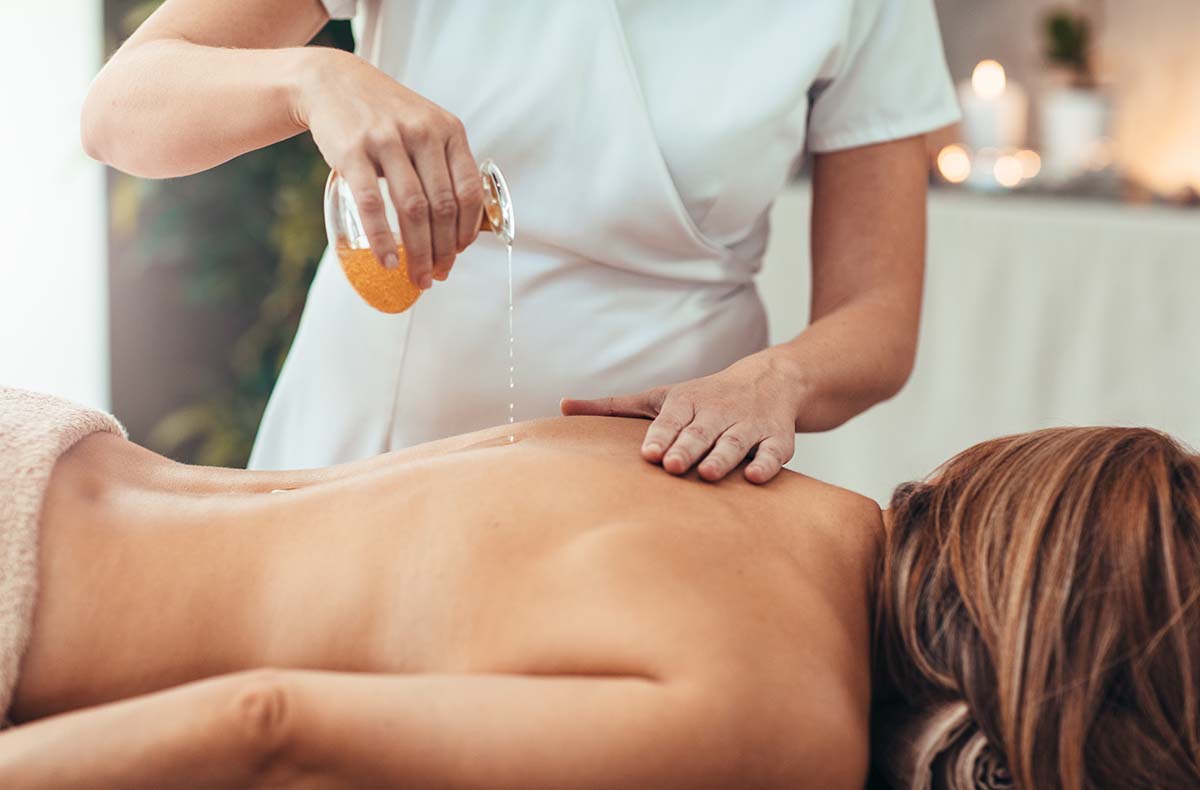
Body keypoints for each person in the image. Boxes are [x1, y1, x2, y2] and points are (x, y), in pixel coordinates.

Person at [1, 387, 1198, 789]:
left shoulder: (770, 479)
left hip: (52, 457)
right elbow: (266, 720)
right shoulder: (795, 720)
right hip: (32, 613)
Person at [81, 1, 960, 483]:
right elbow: (119, 111)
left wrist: (777, 381)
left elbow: (877, 314)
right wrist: (310, 77)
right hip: (378, 467)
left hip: (662, 481)